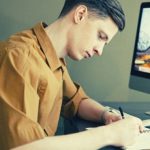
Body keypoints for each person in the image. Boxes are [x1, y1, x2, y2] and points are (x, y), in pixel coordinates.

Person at [0, 0, 144, 149]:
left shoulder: (53, 56)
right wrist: (109, 135)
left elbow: (76, 101)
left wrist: (105, 114)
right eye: (101, 36)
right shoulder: (21, 58)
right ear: (80, 14)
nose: (99, 51)